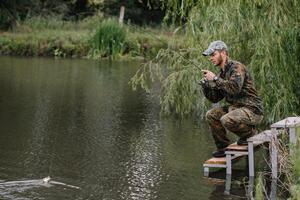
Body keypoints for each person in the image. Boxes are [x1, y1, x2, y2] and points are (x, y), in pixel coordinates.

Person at [200, 40, 263, 158]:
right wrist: (206, 87)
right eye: (210, 56)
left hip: (252, 110)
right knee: (211, 114)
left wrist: (214, 78)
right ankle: (223, 147)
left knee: (226, 119)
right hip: (236, 109)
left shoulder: (237, 68)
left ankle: (251, 134)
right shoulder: (222, 75)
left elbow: (234, 89)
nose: (210, 58)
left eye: (213, 55)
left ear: (223, 53)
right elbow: (215, 98)